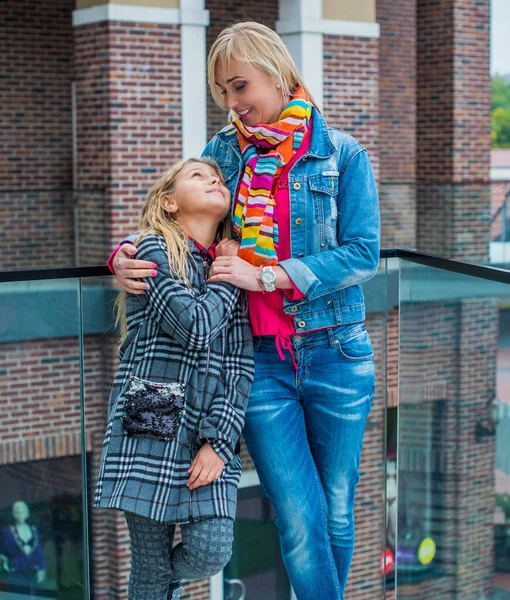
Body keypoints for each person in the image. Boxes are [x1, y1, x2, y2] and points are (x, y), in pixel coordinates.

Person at [109, 21, 379, 600]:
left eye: (239, 87)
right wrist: (121, 256)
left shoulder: (342, 154)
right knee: (299, 518)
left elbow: (363, 253)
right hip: (258, 361)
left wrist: (269, 275)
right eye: (223, 95)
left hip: (336, 352)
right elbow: (175, 213)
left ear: (277, 73)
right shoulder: (223, 154)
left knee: (334, 511)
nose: (233, 106)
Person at [94, 158, 254, 600]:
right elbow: (196, 327)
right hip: (151, 415)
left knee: (211, 551)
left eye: (219, 178)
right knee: (148, 565)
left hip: (207, 427)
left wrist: (219, 441)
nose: (213, 181)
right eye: (198, 176)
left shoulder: (236, 267)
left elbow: (240, 365)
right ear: (168, 203)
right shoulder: (152, 249)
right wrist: (226, 277)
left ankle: (161, 583)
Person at [0, 500, 46, 587]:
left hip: (34, 574)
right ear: (13, 513)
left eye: (23, 509)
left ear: (27, 512)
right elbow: (2, 552)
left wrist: (42, 569)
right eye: (17, 510)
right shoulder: (7, 532)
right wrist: (6, 564)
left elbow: (39, 552)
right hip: (15, 574)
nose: (21, 512)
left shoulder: (34, 530)